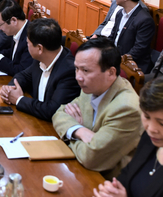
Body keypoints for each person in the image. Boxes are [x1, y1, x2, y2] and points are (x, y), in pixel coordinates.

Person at [52, 38, 143, 179]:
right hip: (81, 171)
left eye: (86, 70)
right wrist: (80, 131)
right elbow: (59, 113)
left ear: (111, 73)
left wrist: (69, 134)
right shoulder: (91, 87)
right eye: (76, 68)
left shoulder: (127, 108)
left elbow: (90, 157)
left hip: (107, 184)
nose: (78, 77)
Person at [0, 18, 80, 121]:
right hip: (35, 120)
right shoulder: (41, 58)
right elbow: (23, 76)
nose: (27, 45)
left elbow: (53, 111)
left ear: (39, 48)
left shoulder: (69, 71)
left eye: (28, 43)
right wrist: (10, 89)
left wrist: (19, 100)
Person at [107, 0, 155, 73]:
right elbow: (112, 37)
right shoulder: (120, 13)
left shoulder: (145, 20)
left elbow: (139, 50)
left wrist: (117, 61)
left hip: (133, 66)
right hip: (116, 60)